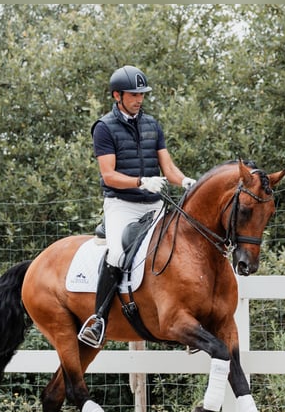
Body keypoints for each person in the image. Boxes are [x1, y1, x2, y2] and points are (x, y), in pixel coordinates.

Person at [77, 65, 196, 348]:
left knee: (180, 249)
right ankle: (98, 319)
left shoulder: (152, 125)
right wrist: (141, 181)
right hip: (122, 205)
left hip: (154, 203)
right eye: (133, 94)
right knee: (117, 255)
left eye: (142, 94)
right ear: (117, 95)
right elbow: (109, 175)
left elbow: (168, 167)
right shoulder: (104, 128)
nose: (139, 99)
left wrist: (186, 182)